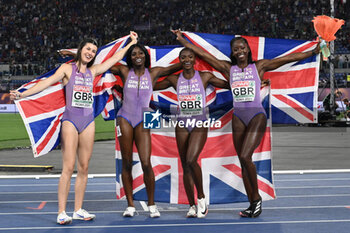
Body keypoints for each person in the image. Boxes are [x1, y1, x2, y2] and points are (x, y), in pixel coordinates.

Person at [173, 29, 320, 218]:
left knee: (244, 156)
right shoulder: (228, 69)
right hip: (238, 118)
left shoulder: (259, 67)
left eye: (242, 47)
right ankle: (252, 204)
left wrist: (313, 52)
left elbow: (287, 59)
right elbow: (203, 55)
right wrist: (182, 41)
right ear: (232, 53)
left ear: (248, 50)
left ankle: (257, 198)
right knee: (243, 161)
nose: (239, 51)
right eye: (235, 49)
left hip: (256, 115)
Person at [10, 31, 138, 224]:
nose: (90, 53)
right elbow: (45, 84)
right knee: (68, 168)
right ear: (80, 50)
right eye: (88, 49)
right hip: (70, 120)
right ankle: (62, 211)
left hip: (88, 122)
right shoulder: (66, 69)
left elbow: (115, 58)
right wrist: (22, 94)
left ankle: (78, 209)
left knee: (84, 167)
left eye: (94, 51)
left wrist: (131, 43)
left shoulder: (93, 71)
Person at [154, 47, 229, 218]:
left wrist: (258, 83)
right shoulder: (174, 79)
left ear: (195, 59)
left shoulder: (204, 77)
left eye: (190, 57)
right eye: (183, 57)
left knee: (191, 159)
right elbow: (150, 87)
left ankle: (201, 198)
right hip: (181, 123)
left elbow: (229, 85)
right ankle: (192, 205)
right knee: (185, 165)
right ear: (179, 60)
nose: (187, 60)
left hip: (199, 123)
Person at [109, 43, 182, 218]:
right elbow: (105, 63)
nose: (137, 56)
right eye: (133, 54)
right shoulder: (124, 71)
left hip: (145, 117)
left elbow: (179, 65)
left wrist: (192, 48)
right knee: (126, 162)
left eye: (140, 53)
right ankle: (130, 205)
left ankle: (152, 204)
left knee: (146, 162)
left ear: (145, 56)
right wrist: (128, 44)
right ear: (130, 57)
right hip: (124, 117)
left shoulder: (154, 72)